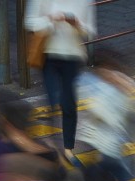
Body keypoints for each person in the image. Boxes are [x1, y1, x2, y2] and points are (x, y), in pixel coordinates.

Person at [25, 0, 97, 163]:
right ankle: (53, 142)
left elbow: (90, 31)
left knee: (69, 103)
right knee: (53, 100)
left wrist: (76, 23)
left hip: (73, 57)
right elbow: (29, 22)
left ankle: (68, 148)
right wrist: (50, 19)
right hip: (49, 55)